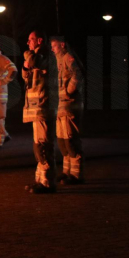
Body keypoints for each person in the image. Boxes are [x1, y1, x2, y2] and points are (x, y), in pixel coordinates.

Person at [22, 31, 56, 194]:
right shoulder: (37, 56)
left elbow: (34, 62)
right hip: (36, 107)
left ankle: (48, 182)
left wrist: (27, 55)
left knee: (43, 145)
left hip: (44, 105)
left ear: (40, 40)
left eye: (31, 40)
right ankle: (40, 180)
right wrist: (25, 66)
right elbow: (26, 76)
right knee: (38, 146)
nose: (28, 42)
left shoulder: (45, 55)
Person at [51, 36, 85, 184]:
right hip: (60, 106)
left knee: (71, 139)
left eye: (54, 46)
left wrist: (68, 91)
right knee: (62, 141)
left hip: (70, 105)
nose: (52, 49)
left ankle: (77, 175)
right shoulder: (56, 61)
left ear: (62, 45)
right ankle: (66, 172)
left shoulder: (68, 58)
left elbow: (78, 74)